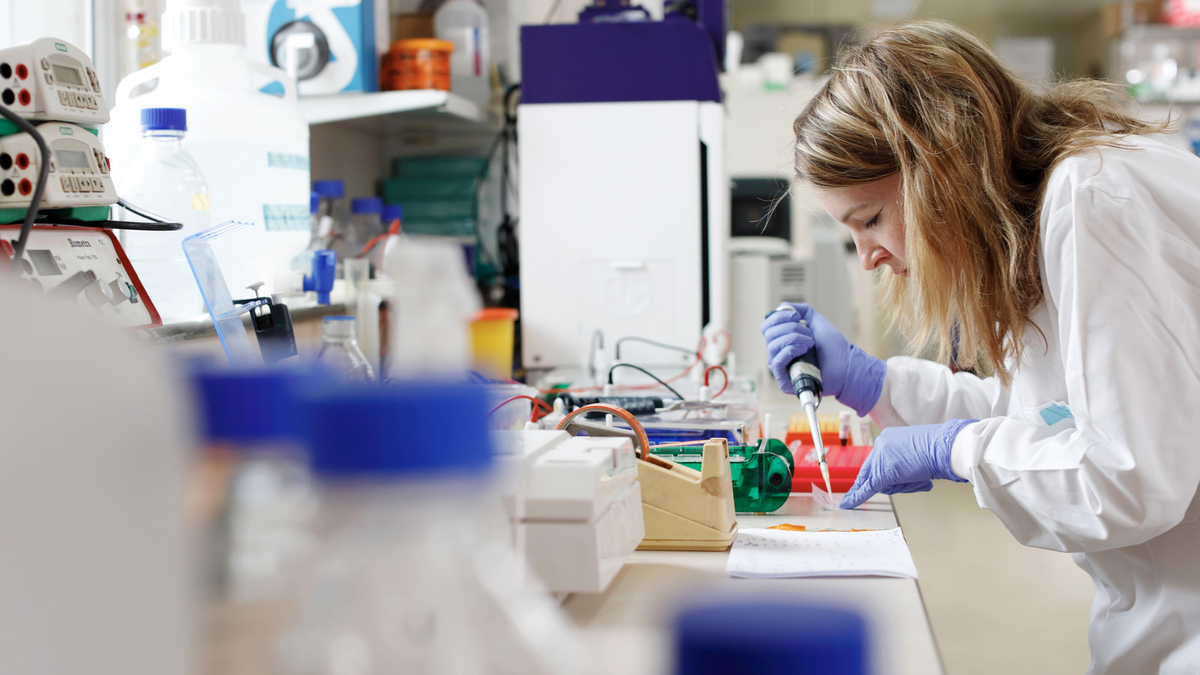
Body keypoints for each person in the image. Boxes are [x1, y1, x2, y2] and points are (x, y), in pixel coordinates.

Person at [761, 20, 1200, 675]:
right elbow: (1053, 414)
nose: (870, 257)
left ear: (937, 164)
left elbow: (1129, 477)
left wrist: (955, 449)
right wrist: (875, 384)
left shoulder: (1095, 196)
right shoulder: (1051, 206)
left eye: (871, 219)